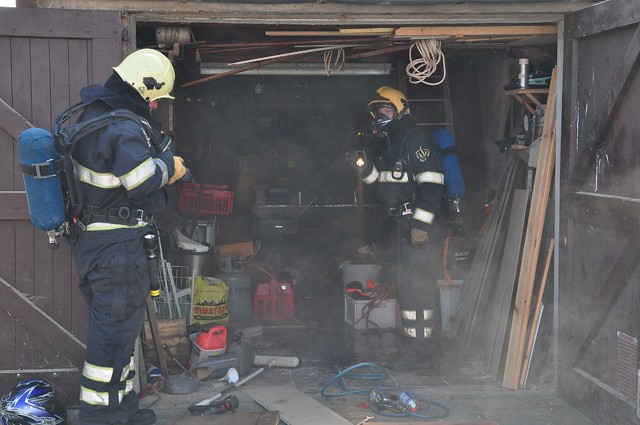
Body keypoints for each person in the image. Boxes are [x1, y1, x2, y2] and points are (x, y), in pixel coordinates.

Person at [71, 49, 187, 425]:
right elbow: (140, 181)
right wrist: (171, 166)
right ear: (143, 88)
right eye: (155, 98)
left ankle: (122, 409)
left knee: (121, 334)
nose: (154, 106)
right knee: (112, 336)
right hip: (116, 250)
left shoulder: (94, 114)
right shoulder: (122, 127)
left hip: (100, 246)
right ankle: (98, 417)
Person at [350, 86, 445, 362]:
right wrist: (364, 168)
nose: (381, 117)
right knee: (406, 286)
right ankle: (411, 346)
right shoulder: (390, 144)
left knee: (418, 288)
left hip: (417, 229)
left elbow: (432, 184)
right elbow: (380, 183)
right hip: (400, 226)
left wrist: (420, 225)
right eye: (378, 112)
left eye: (386, 111)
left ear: (401, 111)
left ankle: (421, 352)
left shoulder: (416, 140)